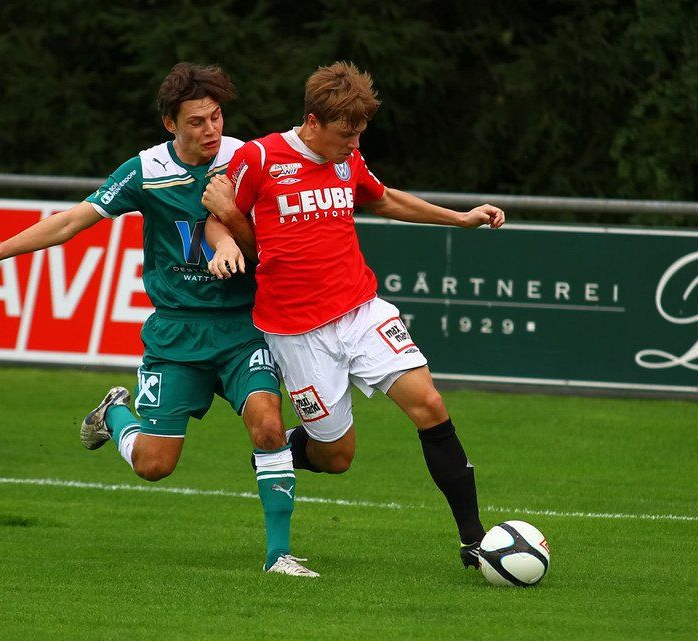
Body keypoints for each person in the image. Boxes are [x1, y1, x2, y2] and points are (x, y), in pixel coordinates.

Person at [0, 63, 317, 578]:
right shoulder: (145, 171)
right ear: (169, 124)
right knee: (154, 466)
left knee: (269, 425)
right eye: (196, 121)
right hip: (177, 333)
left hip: (243, 328)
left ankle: (279, 556)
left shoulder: (246, 160)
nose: (211, 130)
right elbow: (72, 220)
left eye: (216, 117)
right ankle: (114, 413)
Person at [203, 61, 506, 569]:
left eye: (360, 133)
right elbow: (216, 219)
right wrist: (224, 244)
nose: (354, 143)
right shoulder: (260, 157)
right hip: (297, 332)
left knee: (429, 403)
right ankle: (285, 450)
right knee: (337, 458)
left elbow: (382, 199)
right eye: (346, 134)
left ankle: (474, 541)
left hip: (360, 310)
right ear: (313, 121)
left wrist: (459, 218)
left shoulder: (348, 159)